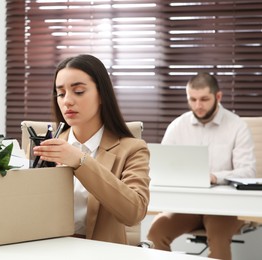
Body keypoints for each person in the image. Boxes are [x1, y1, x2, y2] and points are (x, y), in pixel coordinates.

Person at [32, 54, 150, 245]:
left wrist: (80, 161)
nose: (67, 101)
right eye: (61, 93)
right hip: (46, 248)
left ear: (102, 95)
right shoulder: (47, 146)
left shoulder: (132, 149)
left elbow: (134, 213)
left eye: (78, 91)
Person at [147, 72, 256, 260]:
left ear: (218, 96)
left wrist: (215, 177)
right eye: (193, 99)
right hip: (186, 206)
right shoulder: (177, 126)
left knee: (219, 238)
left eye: (204, 99)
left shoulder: (237, 126)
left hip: (224, 208)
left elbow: (248, 172)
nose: (198, 105)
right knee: (156, 233)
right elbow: (161, 168)